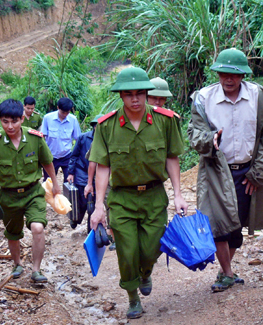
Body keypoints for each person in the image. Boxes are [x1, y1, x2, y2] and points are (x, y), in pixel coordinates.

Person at [89, 67, 188, 319]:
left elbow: (172, 158)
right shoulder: (107, 125)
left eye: (140, 94)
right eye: (129, 94)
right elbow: (103, 167)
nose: (135, 99)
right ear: (120, 96)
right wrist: (99, 206)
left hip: (154, 196)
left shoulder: (165, 121)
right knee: (127, 250)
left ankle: (146, 272)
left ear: (147, 93)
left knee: (153, 246)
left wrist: (178, 194)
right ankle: (132, 297)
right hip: (122, 199)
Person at [187, 48, 263, 292]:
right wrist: (210, 139)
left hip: (246, 171)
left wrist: (257, 170)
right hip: (216, 170)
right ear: (217, 72)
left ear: (243, 75)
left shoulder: (257, 96)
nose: (229, 79)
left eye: (235, 75)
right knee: (217, 224)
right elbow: (194, 135)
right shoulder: (204, 99)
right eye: (224, 73)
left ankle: (225, 268)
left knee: (236, 225)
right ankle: (227, 273)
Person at [0, 99, 61, 284]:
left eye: (14, 121)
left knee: (38, 227)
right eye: (5, 121)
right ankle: (17, 264)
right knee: (13, 234)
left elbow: (47, 162)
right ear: (0, 120)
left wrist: (55, 184)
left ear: (22, 119)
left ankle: (36, 270)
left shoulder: (35, 139)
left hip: (33, 193)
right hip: (8, 196)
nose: (10, 126)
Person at [66, 114, 103, 229]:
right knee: (82, 200)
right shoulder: (83, 138)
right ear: (93, 127)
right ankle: (75, 218)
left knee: (93, 202)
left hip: (99, 174)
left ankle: (91, 228)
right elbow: (74, 155)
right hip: (82, 171)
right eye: (97, 126)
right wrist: (71, 172)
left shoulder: (107, 140)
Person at [40, 97, 81, 183]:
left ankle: (67, 196)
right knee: (48, 181)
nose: (65, 114)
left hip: (67, 156)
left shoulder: (73, 120)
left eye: (68, 112)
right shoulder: (47, 118)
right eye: (63, 112)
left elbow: (78, 139)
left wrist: (76, 155)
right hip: (50, 156)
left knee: (69, 181)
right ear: (58, 107)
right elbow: (42, 137)